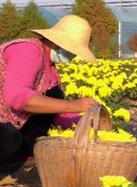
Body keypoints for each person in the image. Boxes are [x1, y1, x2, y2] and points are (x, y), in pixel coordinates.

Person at [0, 15, 98, 169]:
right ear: (56, 42)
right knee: (8, 139)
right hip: (5, 122)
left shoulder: (49, 66)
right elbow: (17, 98)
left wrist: (87, 125)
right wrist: (73, 105)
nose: (72, 56)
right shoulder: (27, 51)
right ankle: (12, 156)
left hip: (12, 120)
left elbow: (57, 112)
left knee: (54, 94)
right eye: (71, 50)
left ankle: (20, 155)